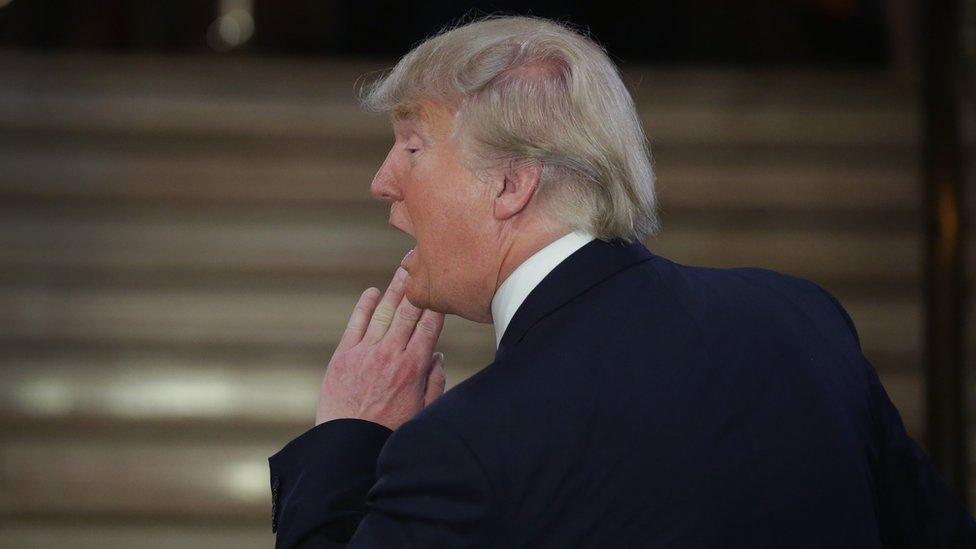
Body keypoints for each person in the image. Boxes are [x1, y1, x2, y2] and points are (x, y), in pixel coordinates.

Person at [267, 13, 976, 548]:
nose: (382, 181)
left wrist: (349, 438)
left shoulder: (466, 446)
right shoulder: (801, 318)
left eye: (412, 146)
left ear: (512, 184)